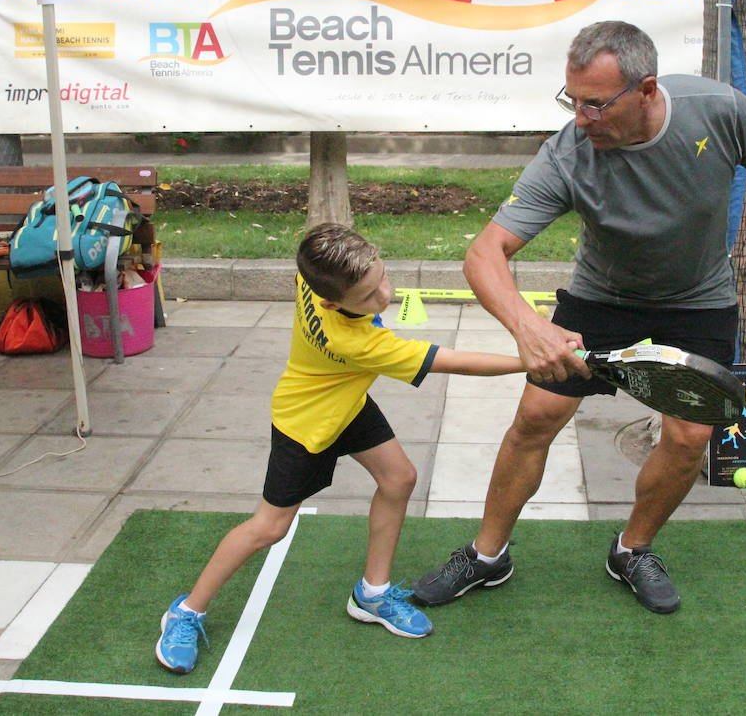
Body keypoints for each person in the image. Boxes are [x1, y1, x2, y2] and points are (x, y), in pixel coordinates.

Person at [413, 20, 746, 614]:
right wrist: (530, 326)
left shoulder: (718, 111)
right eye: (572, 101)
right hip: (603, 296)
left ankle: (632, 549)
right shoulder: (568, 154)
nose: (581, 118)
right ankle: (487, 555)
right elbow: (484, 253)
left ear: (646, 90)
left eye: (595, 105)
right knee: (536, 416)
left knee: (690, 435)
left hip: (699, 297)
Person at [155, 223, 525, 673]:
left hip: (345, 400)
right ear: (331, 302)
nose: (384, 296)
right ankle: (186, 612)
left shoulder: (310, 277)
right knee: (269, 527)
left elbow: (319, 247)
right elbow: (456, 362)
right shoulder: (360, 342)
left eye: (382, 278)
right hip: (306, 422)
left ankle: (372, 593)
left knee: (399, 477)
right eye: (368, 297)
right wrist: (532, 360)